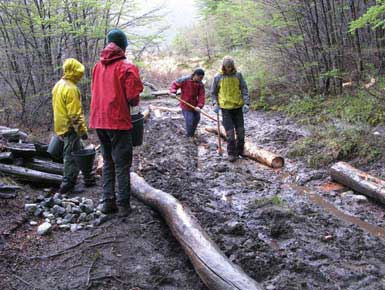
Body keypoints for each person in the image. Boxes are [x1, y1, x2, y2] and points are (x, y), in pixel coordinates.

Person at [90, 28, 143, 217]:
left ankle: (107, 202)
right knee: (122, 164)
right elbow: (133, 99)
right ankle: (123, 206)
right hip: (118, 121)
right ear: (123, 46)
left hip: (99, 121)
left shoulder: (97, 66)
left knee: (108, 161)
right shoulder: (127, 67)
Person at [52, 58, 88, 194]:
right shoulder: (71, 89)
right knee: (71, 156)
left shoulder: (58, 85)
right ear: (75, 72)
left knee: (78, 151)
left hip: (61, 126)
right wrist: (82, 131)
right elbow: (75, 115)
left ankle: (86, 176)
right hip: (70, 128)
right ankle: (68, 185)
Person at [210, 56, 249, 162]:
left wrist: (246, 103)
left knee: (241, 132)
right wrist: (215, 104)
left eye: (231, 67)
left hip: (238, 107)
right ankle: (231, 153)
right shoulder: (218, 77)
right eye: (227, 67)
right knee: (230, 134)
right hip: (225, 109)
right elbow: (213, 93)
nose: (229, 69)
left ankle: (240, 151)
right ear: (224, 66)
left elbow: (244, 89)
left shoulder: (238, 75)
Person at [170, 68, 205, 137]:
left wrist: (199, 106)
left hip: (195, 106)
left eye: (202, 78)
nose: (201, 79)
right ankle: (189, 136)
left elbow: (201, 96)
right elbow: (174, 84)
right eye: (200, 77)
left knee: (197, 119)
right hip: (185, 105)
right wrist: (173, 92)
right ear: (195, 75)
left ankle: (192, 134)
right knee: (189, 121)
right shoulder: (185, 79)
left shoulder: (200, 84)